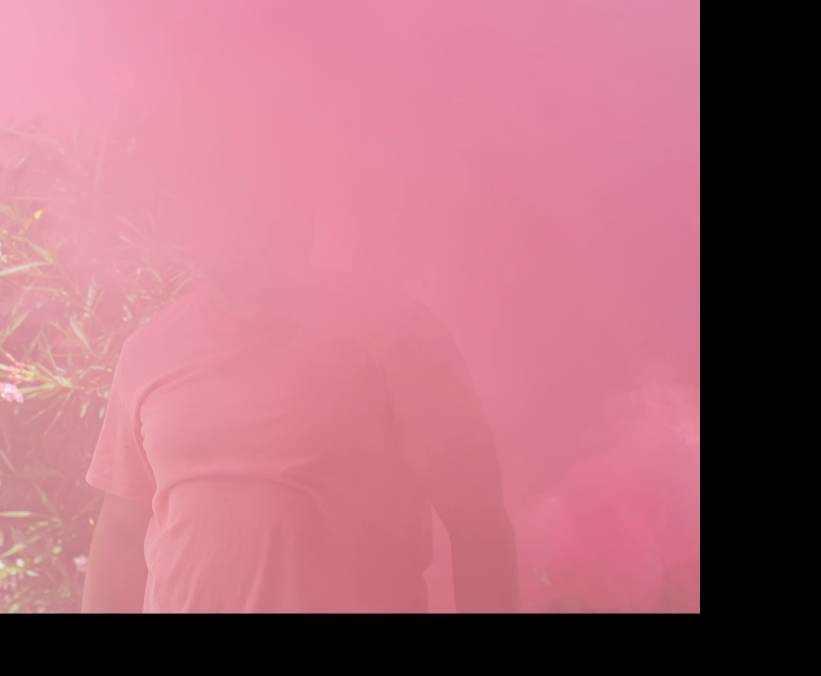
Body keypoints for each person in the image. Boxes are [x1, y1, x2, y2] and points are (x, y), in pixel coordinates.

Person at [80, 153, 519, 613]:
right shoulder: (149, 351)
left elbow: (478, 521)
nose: (240, 223)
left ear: (301, 208)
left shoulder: (398, 335)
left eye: (260, 199)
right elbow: (123, 532)